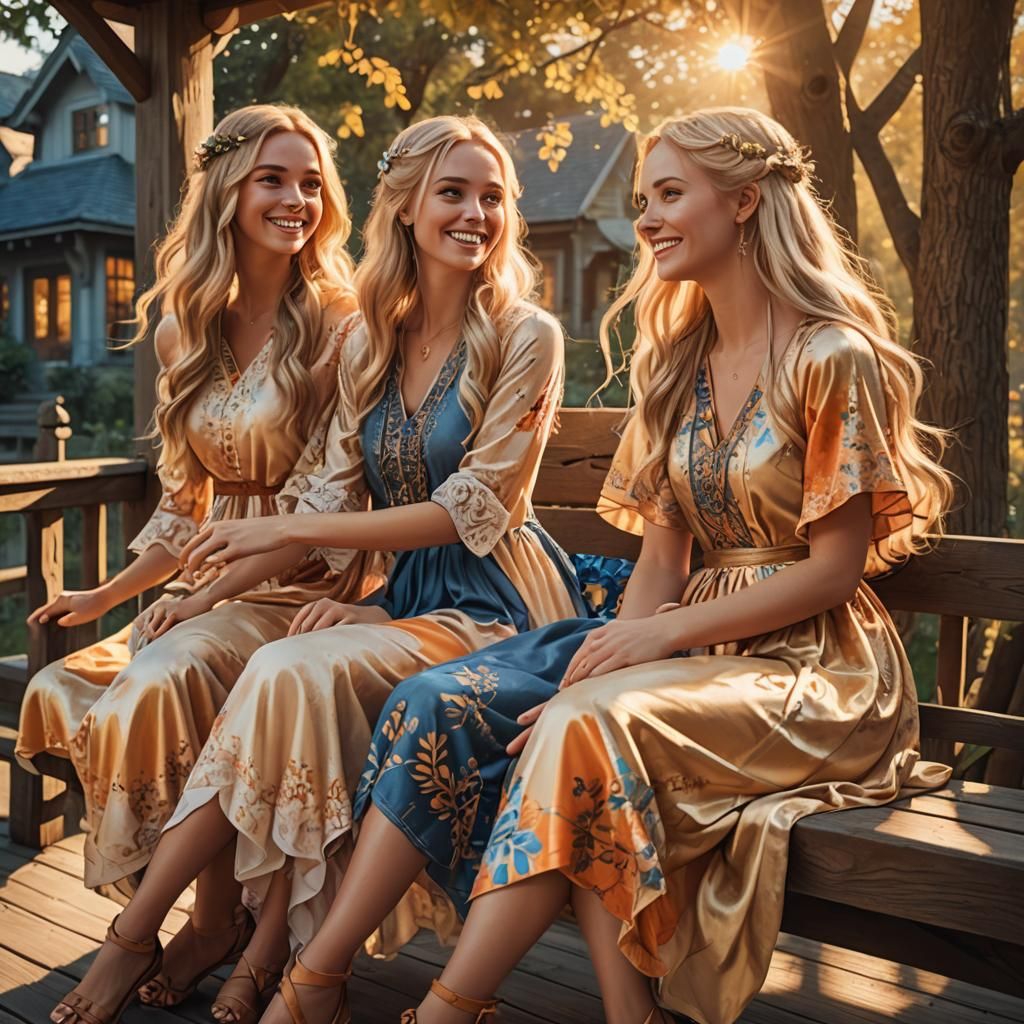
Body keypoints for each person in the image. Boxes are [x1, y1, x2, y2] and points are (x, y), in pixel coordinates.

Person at [276, 106, 953, 1024]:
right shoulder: (677, 363)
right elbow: (664, 560)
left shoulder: (830, 356)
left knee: (583, 726)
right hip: (683, 647)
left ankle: (442, 1008)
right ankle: (340, 978)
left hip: (812, 666)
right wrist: (614, 652)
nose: (647, 219)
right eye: (643, 200)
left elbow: (836, 574)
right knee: (471, 701)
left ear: (747, 201)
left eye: (671, 194)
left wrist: (644, 647)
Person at [50, 114, 585, 1024]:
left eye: (493, 196)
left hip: (498, 611)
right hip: (401, 599)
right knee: (279, 668)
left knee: (286, 665)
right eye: (453, 193)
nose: (476, 213)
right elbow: (323, 497)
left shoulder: (525, 334)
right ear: (406, 209)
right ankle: (251, 949)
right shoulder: (376, 338)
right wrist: (207, 586)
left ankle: (167, 940)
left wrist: (300, 566)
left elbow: (477, 509)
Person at [21, 101, 379, 1020]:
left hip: (306, 583)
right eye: (273, 178)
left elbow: (325, 506)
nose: (297, 199)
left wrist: (204, 596)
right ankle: (216, 918)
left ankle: (149, 933)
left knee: (159, 679)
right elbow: (187, 504)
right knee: (76, 682)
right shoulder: (185, 324)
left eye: (311, 183)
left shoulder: (344, 324)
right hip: (211, 587)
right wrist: (108, 591)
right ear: (227, 187)